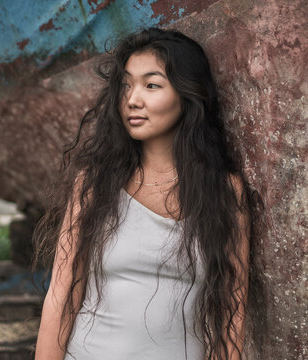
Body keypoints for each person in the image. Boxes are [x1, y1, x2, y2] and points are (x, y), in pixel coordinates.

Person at [33, 27, 253, 360]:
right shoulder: (95, 182)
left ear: (187, 95)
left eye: (152, 85)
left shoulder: (224, 192)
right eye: (126, 85)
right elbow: (61, 296)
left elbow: (230, 316)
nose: (133, 100)